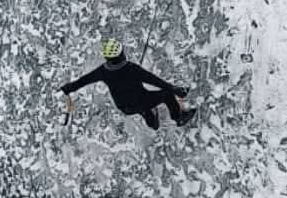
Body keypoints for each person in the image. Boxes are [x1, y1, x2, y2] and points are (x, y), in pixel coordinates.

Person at [61, 39, 196, 131]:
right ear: (121, 54)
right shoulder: (132, 69)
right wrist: (176, 90)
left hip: (125, 107)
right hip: (142, 100)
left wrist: (68, 88)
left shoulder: (103, 71)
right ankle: (179, 118)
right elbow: (156, 81)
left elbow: (83, 81)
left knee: (143, 105)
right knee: (165, 95)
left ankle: (151, 120)